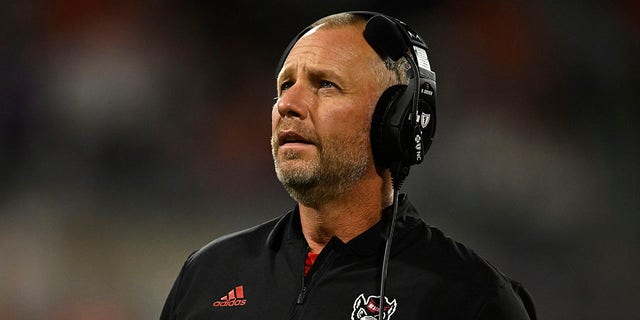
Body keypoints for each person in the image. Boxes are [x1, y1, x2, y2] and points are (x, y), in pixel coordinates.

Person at [160, 11, 537, 320]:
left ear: (395, 120)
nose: (289, 104)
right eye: (285, 85)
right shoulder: (208, 274)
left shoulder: (470, 298)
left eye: (325, 84)